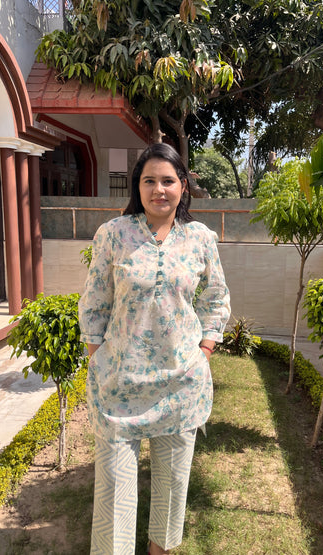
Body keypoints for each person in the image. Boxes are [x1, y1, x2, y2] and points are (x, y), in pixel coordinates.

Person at [78, 143, 231, 555]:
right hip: (119, 388)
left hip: (180, 386)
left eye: (168, 180)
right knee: (114, 489)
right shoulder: (114, 234)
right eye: (149, 181)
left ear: (183, 186)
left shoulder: (199, 238)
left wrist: (206, 348)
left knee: (172, 482)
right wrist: (100, 358)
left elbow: (215, 297)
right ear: (137, 186)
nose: (159, 189)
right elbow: (94, 301)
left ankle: (160, 550)